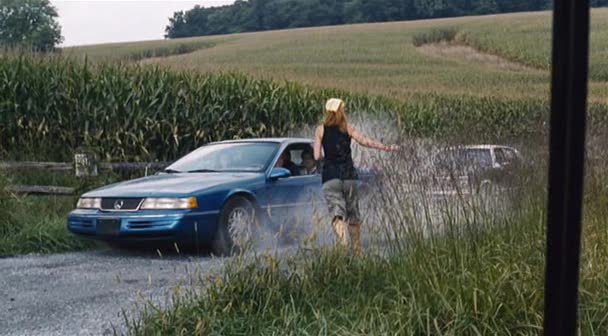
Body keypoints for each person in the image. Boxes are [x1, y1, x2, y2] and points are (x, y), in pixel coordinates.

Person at [313, 98, 399, 256]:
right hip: (349, 176)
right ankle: (357, 251)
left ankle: (343, 243)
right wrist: (387, 147)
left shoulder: (320, 130)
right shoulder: (347, 128)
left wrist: (328, 159)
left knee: (337, 214)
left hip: (330, 177)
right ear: (341, 111)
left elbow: (317, 155)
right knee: (353, 214)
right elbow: (366, 142)